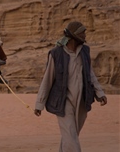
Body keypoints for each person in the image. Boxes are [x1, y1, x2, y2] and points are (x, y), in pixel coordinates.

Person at [34, 21, 107, 152]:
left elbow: (90, 74)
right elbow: (47, 79)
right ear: (74, 35)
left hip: (82, 101)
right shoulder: (56, 54)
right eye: (82, 33)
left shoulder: (85, 51)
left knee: (70, 135)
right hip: (63, 102)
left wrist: (99, 93)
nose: (85, 35)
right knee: (70, 135)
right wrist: (39, 104)